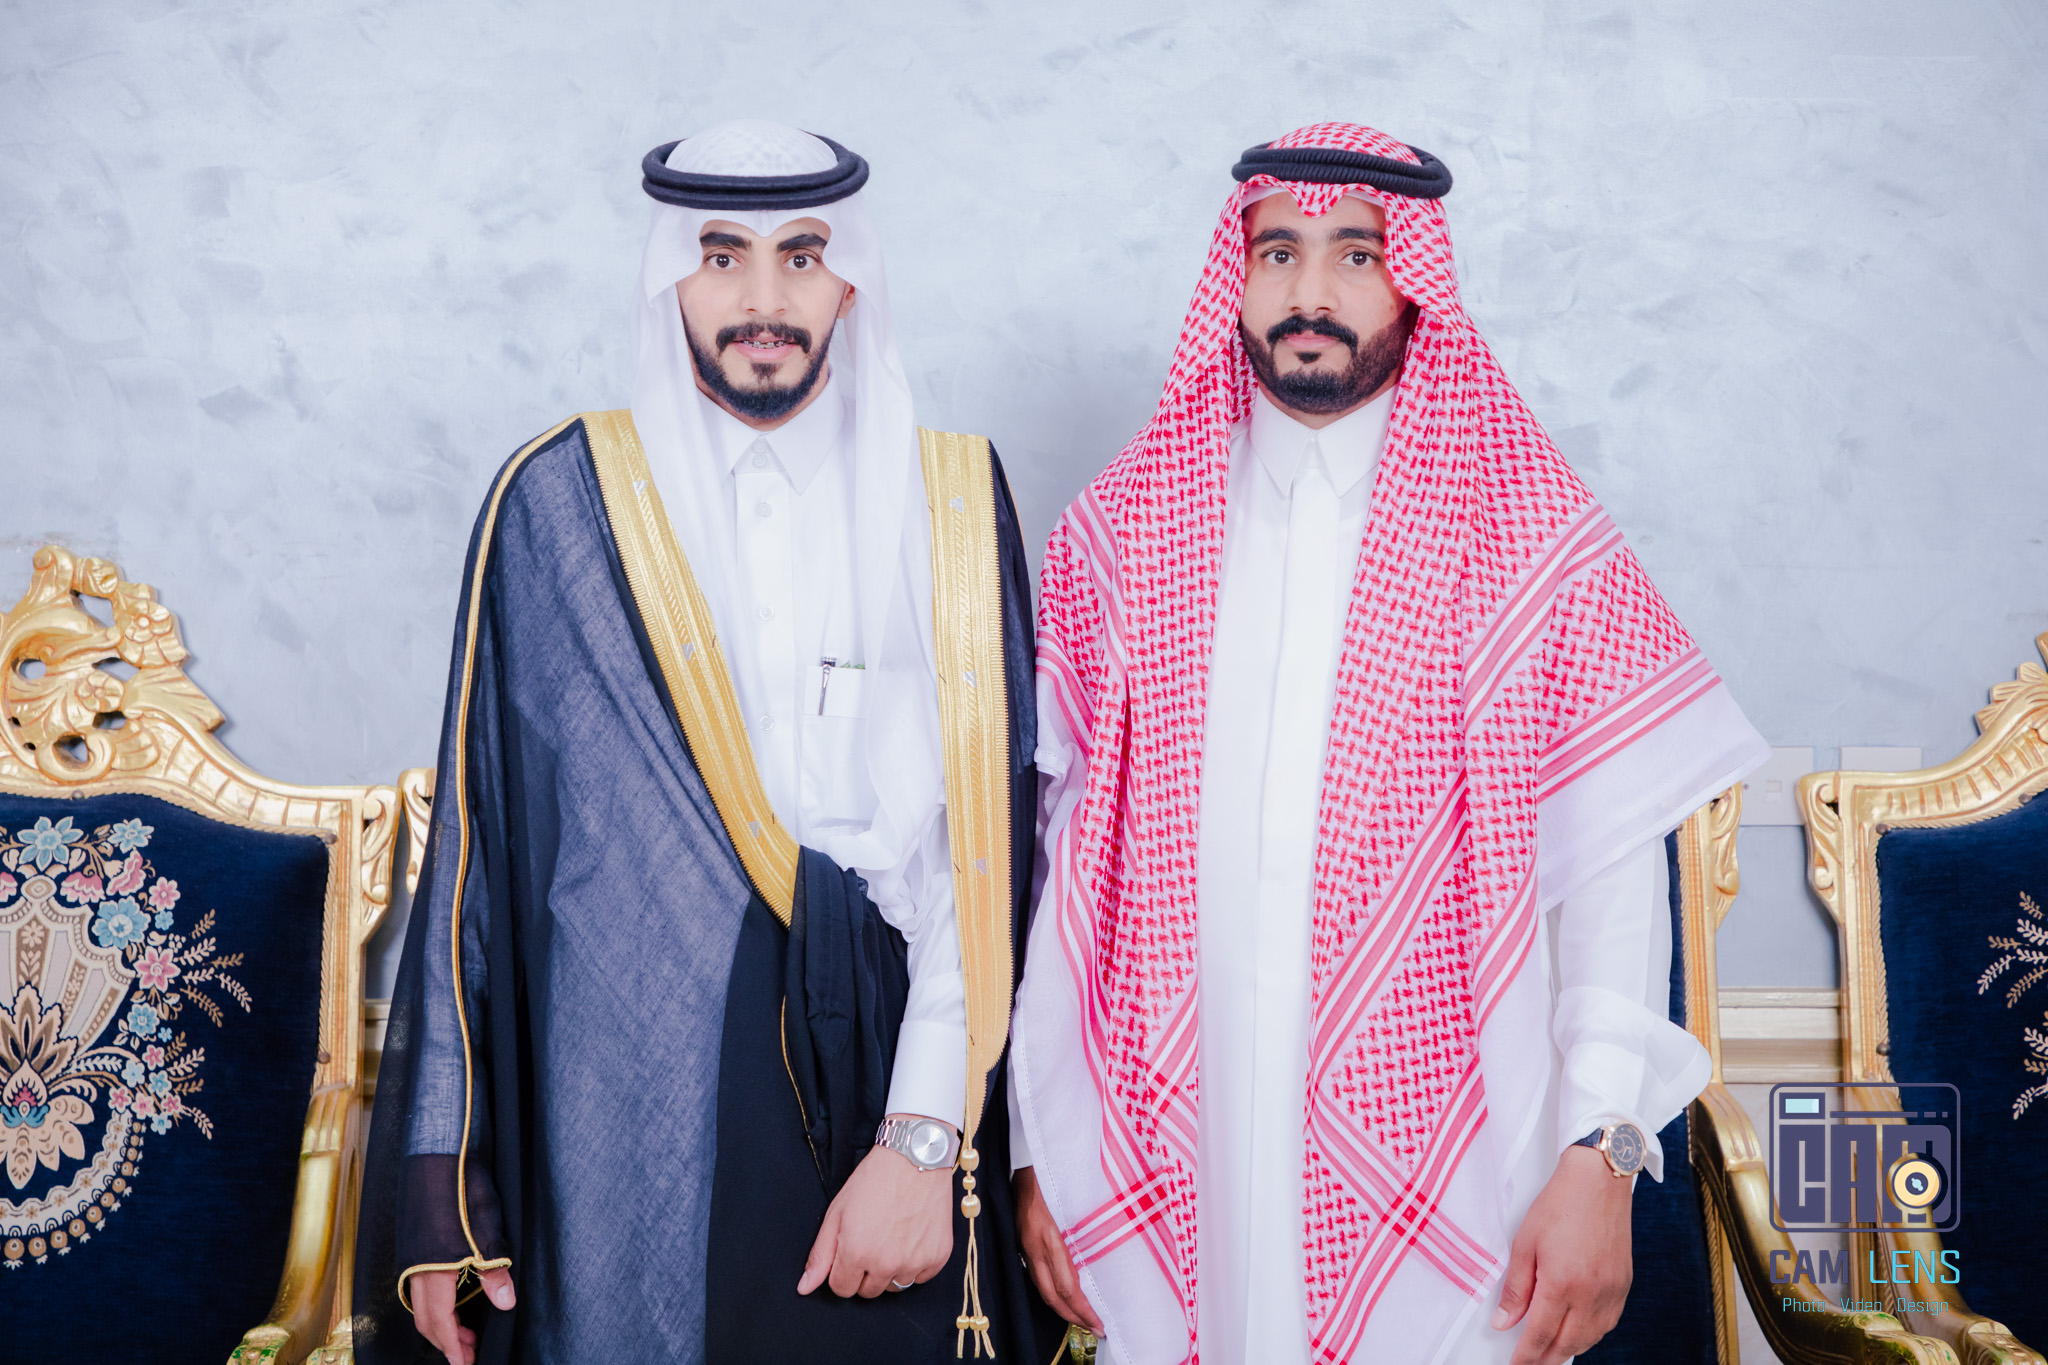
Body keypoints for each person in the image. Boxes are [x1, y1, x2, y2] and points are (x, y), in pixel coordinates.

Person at [1006, 122, 1769, 1365]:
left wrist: (1603, 1155)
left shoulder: (1527, 541)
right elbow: (1063, 871)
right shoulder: (1120, 533)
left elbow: (1611, 890)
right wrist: (1042, 1147)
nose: (1308, 292)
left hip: (1456, 1156)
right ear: (1235, 275)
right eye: (1278, 252)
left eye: (1354, 255)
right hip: (1170, 1133)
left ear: (1412, 280)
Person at [355, 120, 1056, 1365]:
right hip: (623, 1106)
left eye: (802, 257)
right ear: (667, 278)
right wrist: (445, 1189)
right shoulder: (557, 504)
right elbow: (476, 855)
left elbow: (985, 861)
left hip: (894, 1071)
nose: (763, 300)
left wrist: (922, 1138)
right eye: (722, 257)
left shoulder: (947, 501)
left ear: (851, 283)